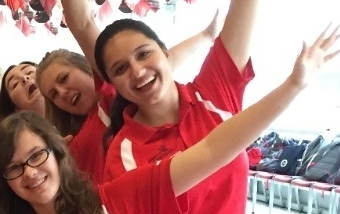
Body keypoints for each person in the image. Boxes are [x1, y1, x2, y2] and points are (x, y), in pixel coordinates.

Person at [0, 24, 340, 214]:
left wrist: (294, 84)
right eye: (15, 168)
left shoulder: (207, 100)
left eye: (37, 157)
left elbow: (218, 146)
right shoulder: (118, 151)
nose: (30, 172)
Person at [95, 0, 260, 214]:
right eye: (120, 69)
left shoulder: (213, 95)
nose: (137, 71)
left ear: (165, 52)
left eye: (143, 54)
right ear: (114, 84)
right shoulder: (123, 155)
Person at [38, 0, 221, 185]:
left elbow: (82, 23)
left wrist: (206, 35)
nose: (62, 92)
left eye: (64, 78)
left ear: (87, 68)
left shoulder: (112, 97)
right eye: (53, 95)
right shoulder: (69, 141)